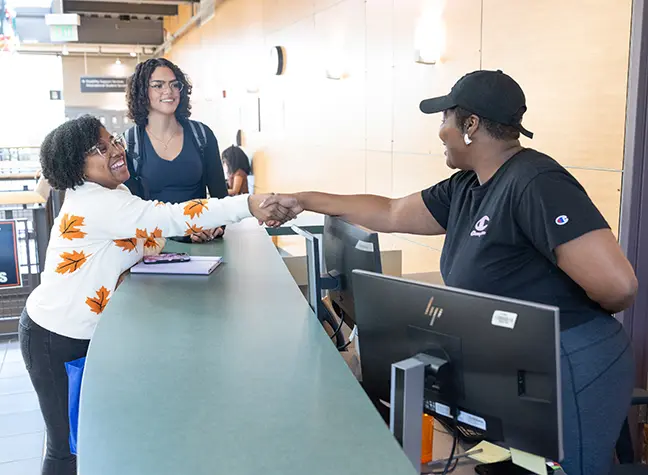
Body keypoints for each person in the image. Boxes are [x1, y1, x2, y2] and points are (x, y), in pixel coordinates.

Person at [263, 70, 638, 475]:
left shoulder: (535, 182)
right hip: (520, 364)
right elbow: (388, 212)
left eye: (444, 119)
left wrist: (559, 319)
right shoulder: (465, 187)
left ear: (471, 125)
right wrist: (302, 200)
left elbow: (619, 287)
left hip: (570, 359)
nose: (440, 131)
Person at [19, 116, 296, 475]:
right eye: (101, 149)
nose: (117, 150)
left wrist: (178, 236)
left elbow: (138, 236)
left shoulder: (111, 194)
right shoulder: (96, 203)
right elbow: (166, 216)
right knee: (67, 450)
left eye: (113, 140)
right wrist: (248, 204)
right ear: (76, 166)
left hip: (79, 333)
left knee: (89, 440)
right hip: (54, 337)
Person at [124, 57, 228, 243]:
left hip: (202, 242)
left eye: (174, 84)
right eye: (158, 85)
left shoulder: (201, 135)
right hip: (154, 245)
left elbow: (220, 196)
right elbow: (132, 209)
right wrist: (180, 232)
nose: (168, 91)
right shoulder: (130, 142)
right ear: (142, 92)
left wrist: (216, 224)